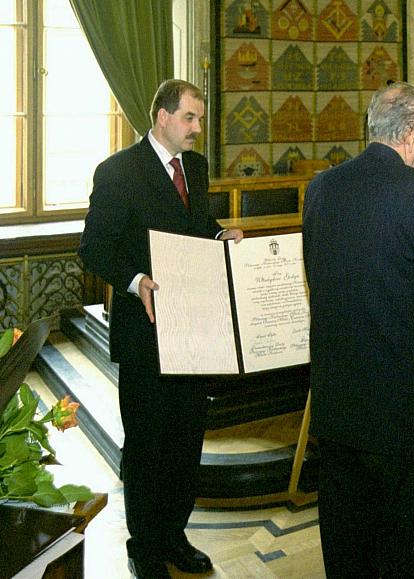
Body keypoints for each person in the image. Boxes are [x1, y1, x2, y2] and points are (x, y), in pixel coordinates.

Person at [302, 81, 414, 577]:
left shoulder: (321, 188)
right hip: (403, 413)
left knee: (346, 542)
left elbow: (317, 278)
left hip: (336, 407)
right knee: (408, 545)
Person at [78, 79, 243, 579]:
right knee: (148, 445)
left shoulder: (195, 167)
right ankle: (144, 545)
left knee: (186, 442)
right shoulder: (118, 171)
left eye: (199, 119)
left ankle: (175, 535)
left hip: (194, 329)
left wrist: (219, 234)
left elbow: (193, 224)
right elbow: (93, 248)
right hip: (144, 331)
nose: (198, 129)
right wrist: (135, 281)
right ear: (162, 117)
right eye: (190, 118)